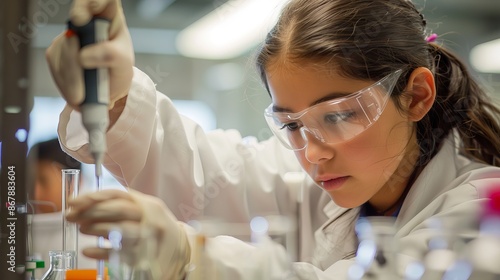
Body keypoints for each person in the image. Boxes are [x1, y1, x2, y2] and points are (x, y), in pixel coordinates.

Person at [46, 0, 500, 279]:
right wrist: (115, 94)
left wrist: (190, 257)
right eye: (291, 125)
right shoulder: (307, 180)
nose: (313, 152)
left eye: (340, 115)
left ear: (417, 95)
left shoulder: (481, 212)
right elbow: (207, 173)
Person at [27, 138, 97, 277]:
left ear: (73, 182)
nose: (35, 192)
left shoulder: (92, 235)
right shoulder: (19, 230)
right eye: (31, 180)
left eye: (43, 180)